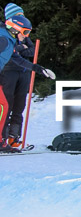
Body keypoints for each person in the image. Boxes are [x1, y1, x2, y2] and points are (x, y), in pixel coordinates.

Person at [0, 14, 56, 152]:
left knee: (3, 106)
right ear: (15, 28)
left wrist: (39, 69)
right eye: (25, 32)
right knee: (3, 107)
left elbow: (16, 59)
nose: (26, 36)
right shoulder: (3, 39)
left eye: (28, 32)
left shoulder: (9, 39)